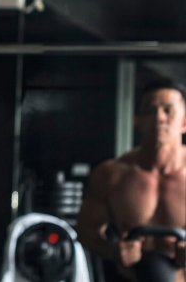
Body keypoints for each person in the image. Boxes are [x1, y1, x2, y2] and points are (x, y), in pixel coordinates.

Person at [77, 78, 186, 282]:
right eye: (150, 110)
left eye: (168, 110)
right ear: (138, 121)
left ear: (184, 122)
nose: (159, 117)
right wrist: (112, 251)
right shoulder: (111, 174)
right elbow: (86, 231)